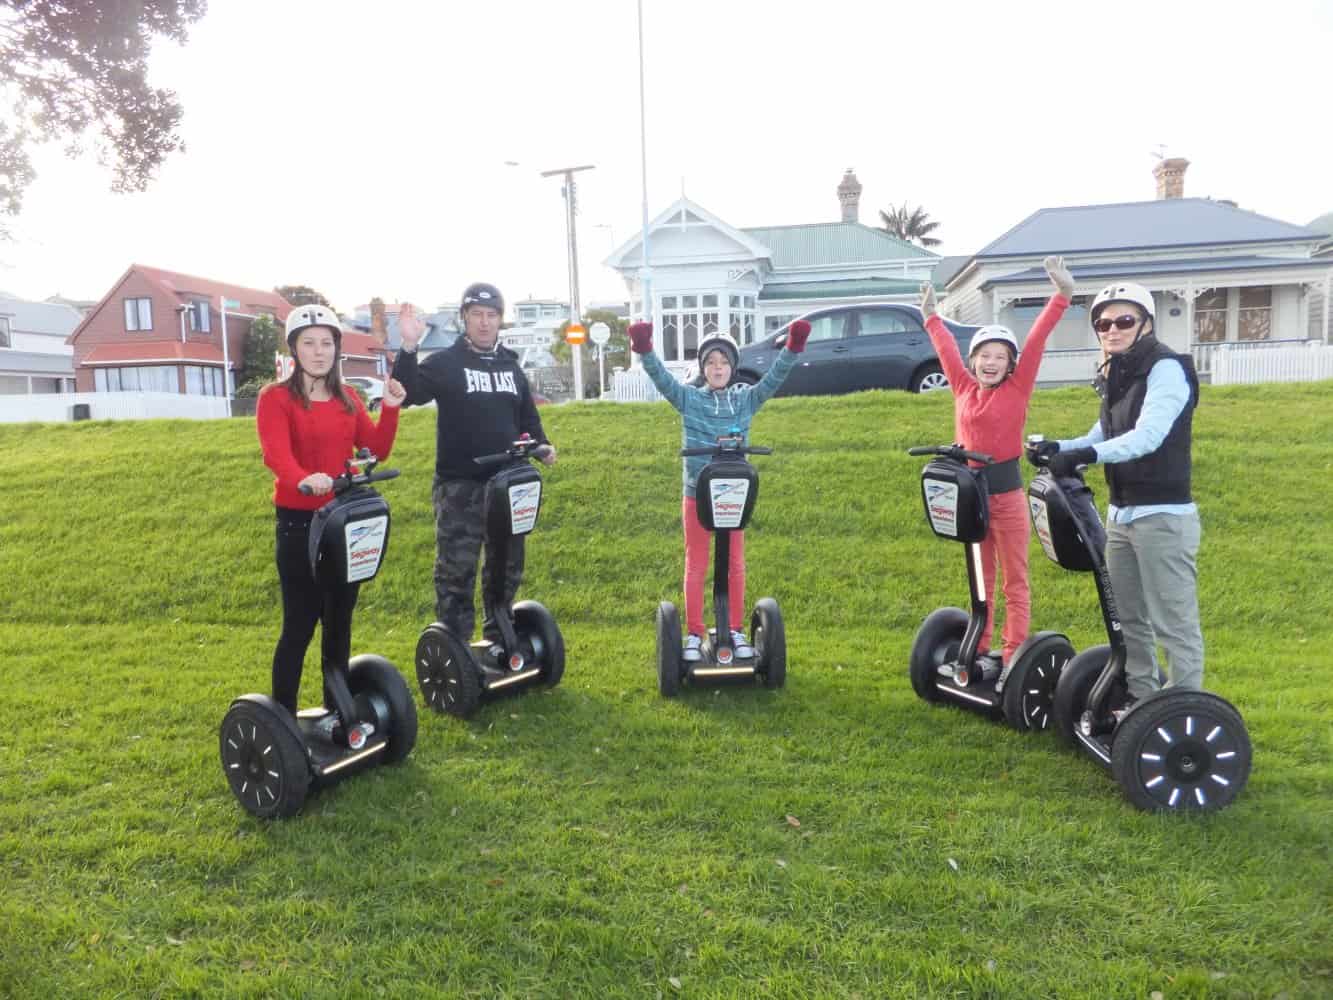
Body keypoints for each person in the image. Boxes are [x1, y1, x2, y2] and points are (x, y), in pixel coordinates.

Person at [1028, 281, 1202, 706]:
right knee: (1131, 620)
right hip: (1122, 516)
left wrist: (1087, 454)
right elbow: (1103, 432)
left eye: (1124, 320)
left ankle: (1183, 713)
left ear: (1144, 324)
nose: (1112, 329)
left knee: (1173, 622)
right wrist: (1059, 448)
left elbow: (1147, 437)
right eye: (1103, 323)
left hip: (1163, 516)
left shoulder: (1167, 369)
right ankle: (1142, 705)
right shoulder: (1116, 372)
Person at [919, 256, 1075, 680]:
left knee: (1014, 580)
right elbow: (946, 349)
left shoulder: (1019, 387)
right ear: (974, 361)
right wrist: (932, 317)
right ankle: (980, 646)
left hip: (1007, 497)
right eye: (984, 355)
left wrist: (1061, 297)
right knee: (980, 576)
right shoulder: (963, 388)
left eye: (1000, 356)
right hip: (971, 498)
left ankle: (1012, 654)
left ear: (1011, 364)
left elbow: (1038, 339)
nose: (991, 362)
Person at [627, 318, 810, 662]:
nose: (718, 367)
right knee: (696, 564)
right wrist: (645, 349)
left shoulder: (745, 400)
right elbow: (663, 380)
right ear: (703, 368)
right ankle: (695, 632)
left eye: (724, 362)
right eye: (711, 362)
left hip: (733, 495)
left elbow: (773, 380)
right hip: (696, 494)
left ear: (732, 367)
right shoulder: (689, 399)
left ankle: (736, 630)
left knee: (735, 564)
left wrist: (792, 348)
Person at [256, 303, 406, 717]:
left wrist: (390, 408)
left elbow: (374, 450)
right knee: (300, 625)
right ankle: (283, 720)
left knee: (339, 622)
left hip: (343, 522)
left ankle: (335, 710)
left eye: (326, 343)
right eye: (309, 343)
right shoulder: (276, 399)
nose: (319, 352)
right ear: (294, 349)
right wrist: (305, 478)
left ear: (336, 348)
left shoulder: (348, 398)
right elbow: (276, 457)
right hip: (300, 525)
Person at [391, 283, 556, 653]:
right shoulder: (446, 363)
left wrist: (540, 445)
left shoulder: (509, 365)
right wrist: (408, 347)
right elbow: (405, 393)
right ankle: (456, 649)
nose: (484, 323)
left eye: (492, 316)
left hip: (507, 484)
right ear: (464, 318)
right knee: (456, 572)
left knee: (506, 566)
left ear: (500, 320)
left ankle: (500, 637)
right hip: (460, 486)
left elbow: (526, 416)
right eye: (477, 315)